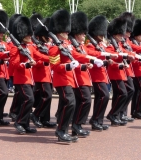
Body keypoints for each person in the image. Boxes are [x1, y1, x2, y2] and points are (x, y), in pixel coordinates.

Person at [49, 9, 102, 142]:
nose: (68, 32)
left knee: (71, 104)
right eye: (65, 31)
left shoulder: (66, 45)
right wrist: (68, 66)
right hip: (61, 80)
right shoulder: (54, 47)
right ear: (59, 32)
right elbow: (54, 66)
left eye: (68, 30)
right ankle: (61, 130)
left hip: (70, 80)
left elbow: (77, 56)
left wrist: (91, 60)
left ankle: (64, 130)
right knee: (70, 103)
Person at [11, 16, 49, 134]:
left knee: (27, 101)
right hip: (21, 79)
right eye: (27, 35)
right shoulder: (15, 48)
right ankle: (19, 121)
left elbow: (39, 55)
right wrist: (26, 65)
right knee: (29, 99)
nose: (30, 36)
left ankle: (25, 124)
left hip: (29, 79)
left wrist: (52, 59)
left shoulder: (30, 47)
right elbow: (14, 64)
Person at [69, 11, 105, 137]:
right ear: (76, 33)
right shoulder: (71, 46)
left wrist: (100, 56)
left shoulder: (81, 46)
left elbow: (87, 54)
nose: (84, 35)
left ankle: (77, 126)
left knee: (82, 102)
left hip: (85, 78)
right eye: (82, 33)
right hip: (78, 78)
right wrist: (92, 60)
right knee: (85, 100)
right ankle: (76, 124)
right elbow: (77, 56)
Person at [87, 15, 118, 131]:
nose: (102, 36)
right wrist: (105, 56)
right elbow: (90, 54)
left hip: (102, 75)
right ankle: (95, 119)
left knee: (102, 97)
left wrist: (107, 60)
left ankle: (97, 120)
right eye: (100, 34)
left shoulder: (100, 45)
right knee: (104, 96)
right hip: (96, 75)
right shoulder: (90, 45)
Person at [30, 17, 56, 128]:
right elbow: (35, 60)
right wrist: (47, 60)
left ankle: (45, 119)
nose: (49, 38)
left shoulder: (47, 46)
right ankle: (35, 114)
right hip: (41, 75)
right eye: (46, 36)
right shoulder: (35, 46)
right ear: (40, 36)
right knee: (47, 96)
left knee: (46, 97)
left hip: (49, 75)